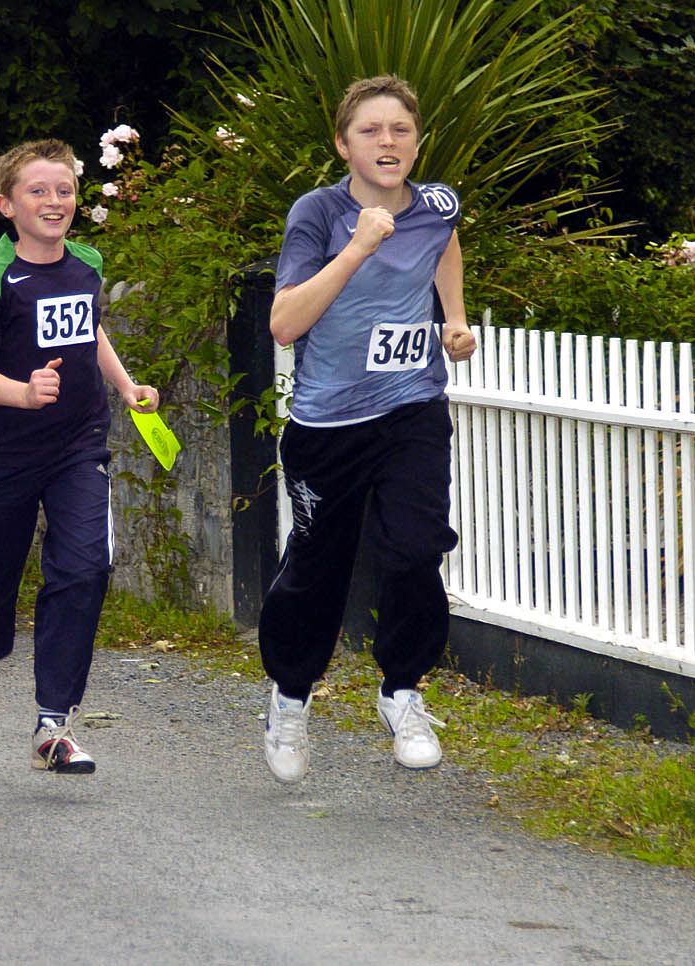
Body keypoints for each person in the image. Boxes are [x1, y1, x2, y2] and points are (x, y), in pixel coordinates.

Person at [259, 75, 478, 783]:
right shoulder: (317, 214)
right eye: (371, 131)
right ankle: (290, 699)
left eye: (401, 130)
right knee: (318, 571)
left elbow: (442, 244)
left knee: (415, 548)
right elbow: (286, 323)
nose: (389, 142)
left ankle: (402, 691)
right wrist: (356, 248)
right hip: (328, 427)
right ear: (343, 144)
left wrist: (454, 316)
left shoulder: (438, 202)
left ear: (417, 139)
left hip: (412, 409)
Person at [0, 138, 160, 774]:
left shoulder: (85, 262)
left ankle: (53, 725)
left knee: (85, 570)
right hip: (7, 453)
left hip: (78, 447)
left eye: (63, 190)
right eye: (38, 191)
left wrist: (125, 386)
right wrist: (23, 393)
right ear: (7, 204)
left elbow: (90, 331)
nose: (54, 201)